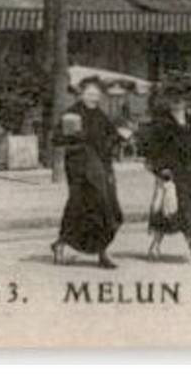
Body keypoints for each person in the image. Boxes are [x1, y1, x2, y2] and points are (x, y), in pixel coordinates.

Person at [52, 76, 123, 268]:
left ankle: (102, 252)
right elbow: (56, 139)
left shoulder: (100, 115)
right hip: (79, 170)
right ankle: (60, 244)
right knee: (78, 208)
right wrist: (73, 136)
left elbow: (112, 135)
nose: (93, 97)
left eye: (96, 94)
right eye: (89, 93)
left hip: (101, 168)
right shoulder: (71, 114)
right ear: (81, 94)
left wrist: (120, 137)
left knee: (106, 208)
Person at [143, 91, 191, 264]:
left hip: (188, 173)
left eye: (181, 100)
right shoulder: (162, 125)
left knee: (183, 210)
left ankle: (156, 247)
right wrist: (160, 168)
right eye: (174, 100)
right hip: (170, 173)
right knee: (169, 210)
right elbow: (152, 150)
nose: (178, 104)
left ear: (187, 102)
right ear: (168, 103)